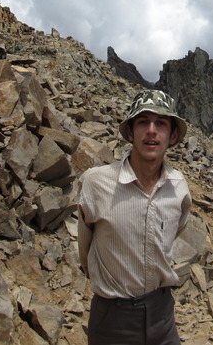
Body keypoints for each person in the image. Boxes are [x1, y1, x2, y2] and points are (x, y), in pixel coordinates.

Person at [77, 89, 192, 345]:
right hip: (112, 320)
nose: (151, 130)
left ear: (172, 135)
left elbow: (177, 231)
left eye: (161, 123)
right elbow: (84, 251)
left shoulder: (179, 186)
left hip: (163, 316)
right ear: (131, 132)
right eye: (143, 122)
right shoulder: (96, 183)